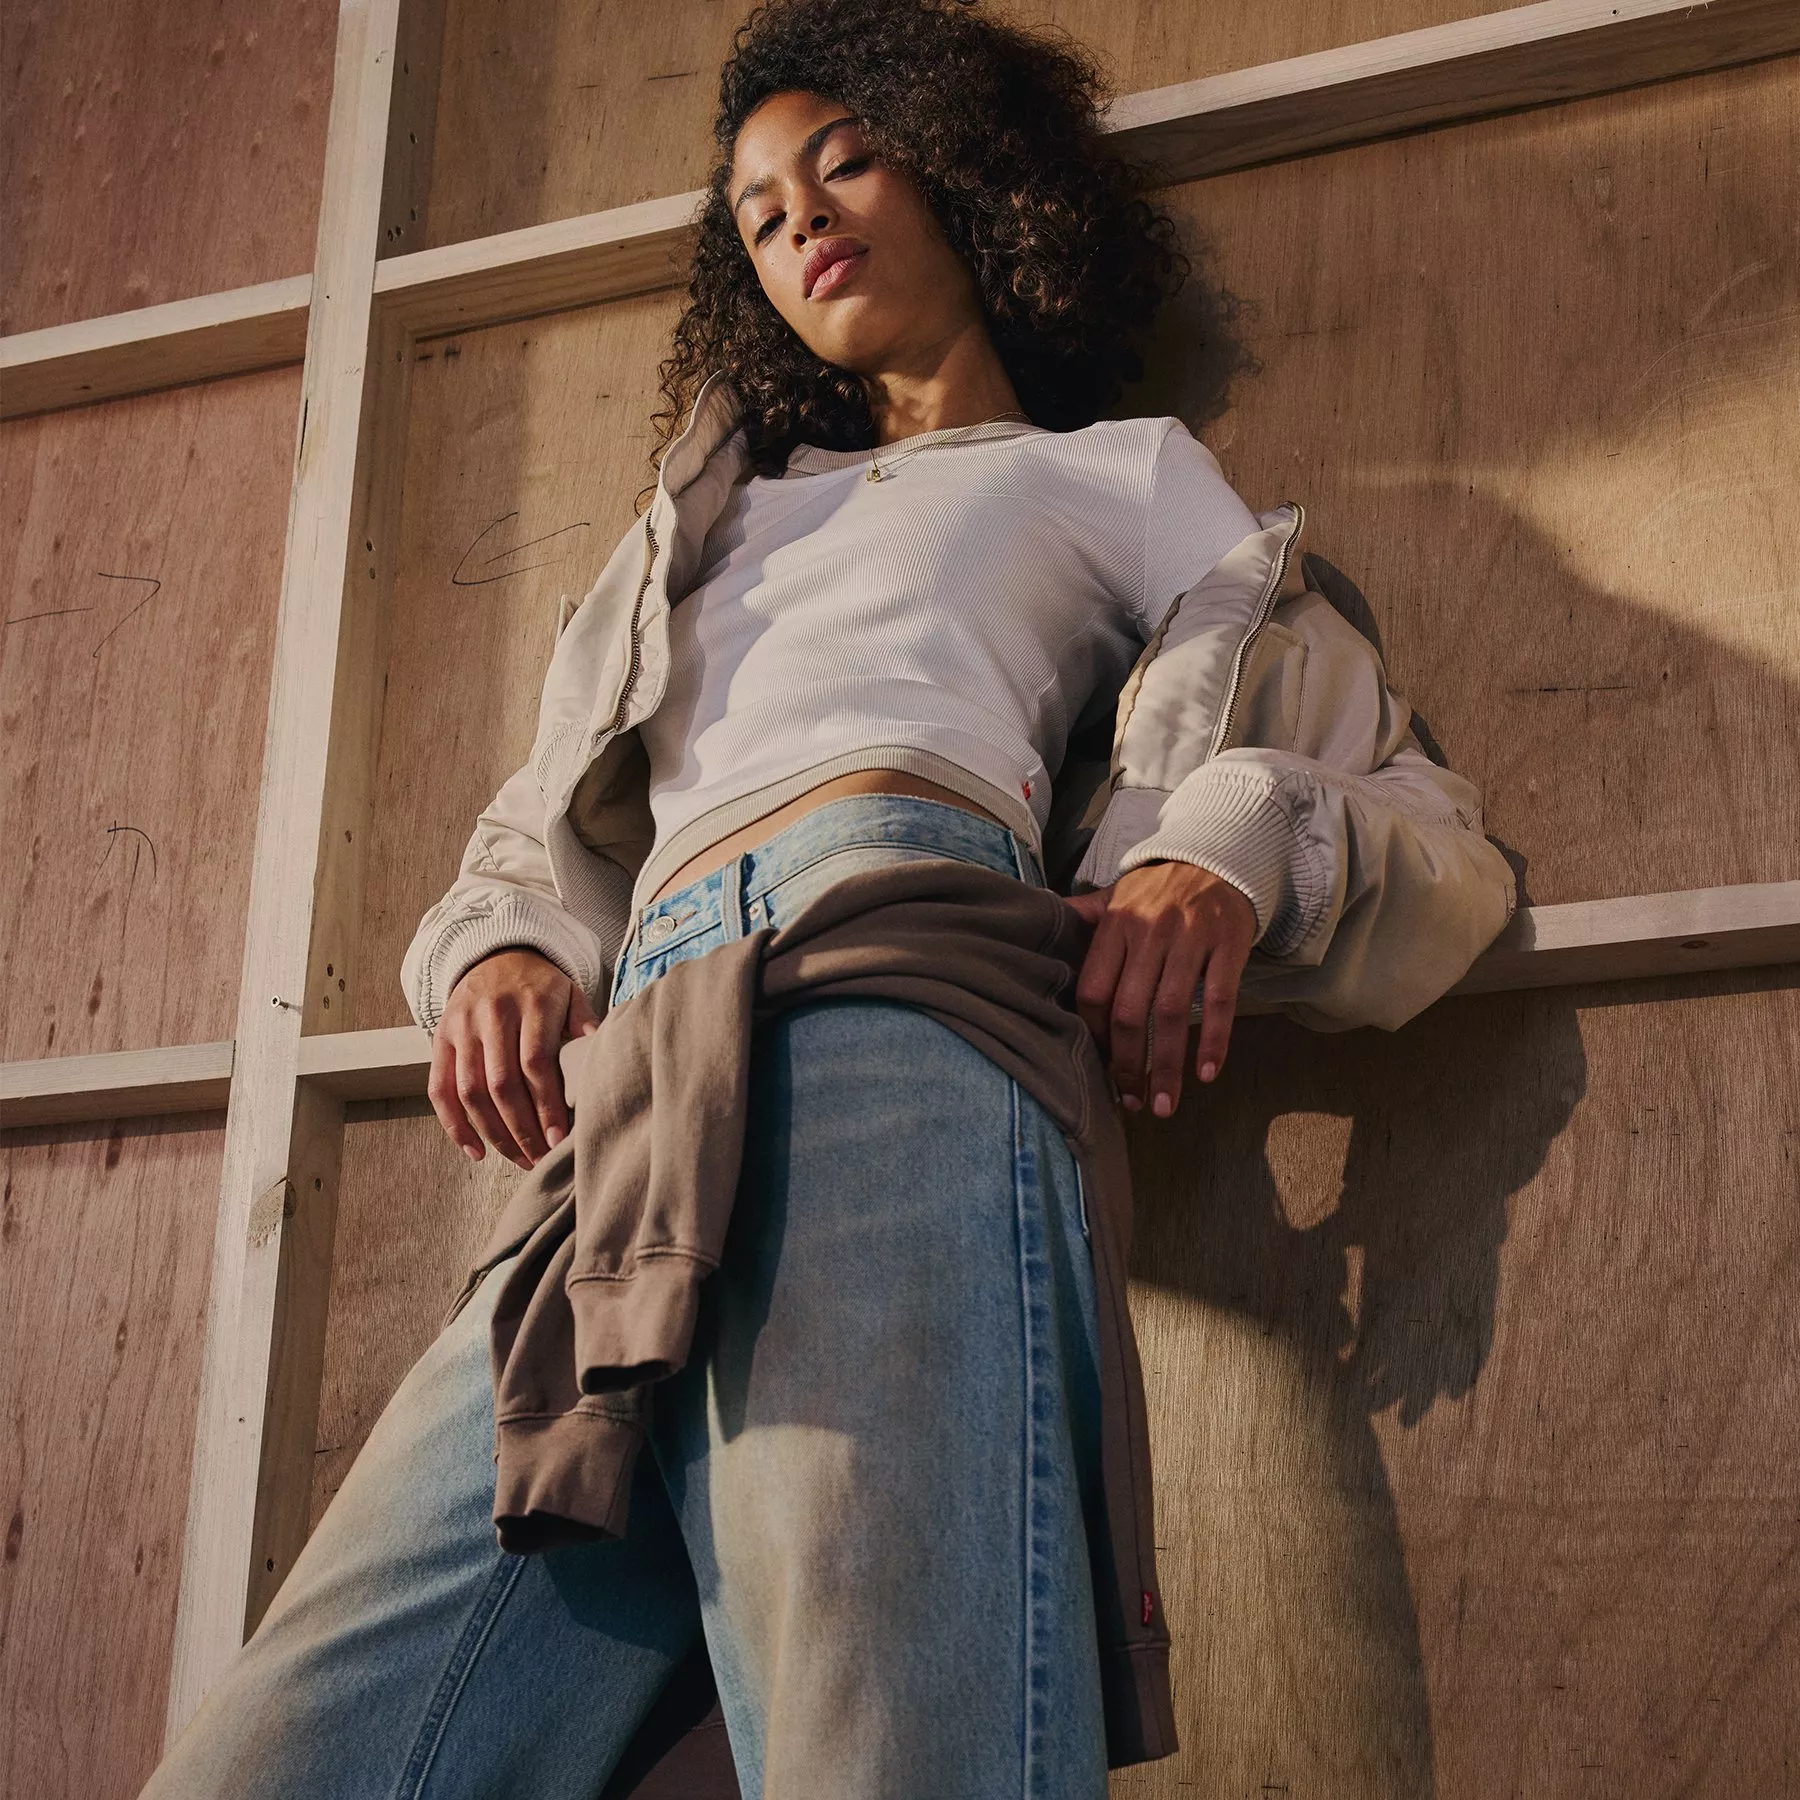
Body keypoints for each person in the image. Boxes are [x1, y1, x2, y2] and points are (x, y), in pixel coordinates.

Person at [140, 1, 1514, 1795]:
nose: (803, 220)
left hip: (903, 1011)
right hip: (632, 1096)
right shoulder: (710, 521)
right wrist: (501, 950)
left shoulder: (1118, 472)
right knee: (288, 1754)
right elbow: (556, 825)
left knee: (894, 1738)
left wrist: (1214, 852)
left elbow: (1408, 805)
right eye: (761, 211)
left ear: (964, 170)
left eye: (842, 160)